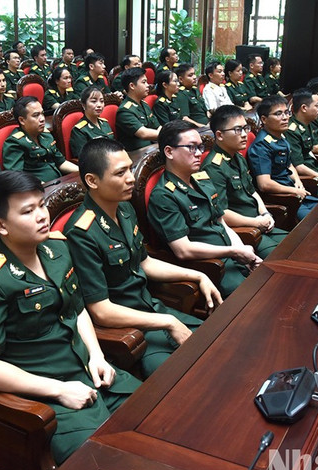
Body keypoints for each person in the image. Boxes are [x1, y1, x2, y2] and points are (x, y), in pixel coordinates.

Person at [0, 170, 141, 463]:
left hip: (93, 375)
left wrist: (96, 355)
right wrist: (59, 390)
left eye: (42, 205)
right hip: (48, 400)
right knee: (112, 463)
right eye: (28, 211)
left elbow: (76, 308)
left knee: (159, 417)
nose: (42, 216)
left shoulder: (57, 250)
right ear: (0, 225)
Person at [64, 139, 218, 376]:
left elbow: (144, 262)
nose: (131, 178)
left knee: (217, 345)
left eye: (129, 168)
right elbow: (101, 311)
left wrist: (198, 275)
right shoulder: (81, 232)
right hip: (130, 331)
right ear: (92, 181)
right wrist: (167, 322)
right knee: (186, 377)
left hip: (153, 308)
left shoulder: (123, 208)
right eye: (120, 173)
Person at [148, 121, 261, 297]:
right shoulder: (163, 195)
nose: (200, 153)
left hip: (232, 256)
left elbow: (220, 222)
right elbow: (184, 250)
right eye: (192, 148)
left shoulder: (201, 178)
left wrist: (245, 254)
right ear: (169, 151)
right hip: (210, 267)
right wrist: (234, 251)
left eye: (200, 147)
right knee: (255, 299)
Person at [201, 105, 286, 258]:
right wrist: (256, 222)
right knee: (286, 256)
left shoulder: (237, 157)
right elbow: (222, 214)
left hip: (260, 222)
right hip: (244, 232)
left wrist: (265, 213)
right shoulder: (213, 167)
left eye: (245, 128)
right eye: (237, 130)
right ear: (219, 135)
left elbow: (251, 191)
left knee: (298, 244)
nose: (245, 135)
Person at [246, 95, 318, 220]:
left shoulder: (281, 137)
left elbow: (289, 164)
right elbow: (264, 184)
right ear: (264, 119)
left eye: (287, 112)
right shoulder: (261, 146)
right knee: (316, 221)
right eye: (278, 114)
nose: (285, 118)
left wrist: (298, 181)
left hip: (295, 192)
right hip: (284, 198)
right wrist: (294, 191)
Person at [2, 96, 78, 182]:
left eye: (42, 113)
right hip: (38, 190)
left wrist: (82, 171)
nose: (42, 119)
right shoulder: (15, 143)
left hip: (58, 182)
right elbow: (18, 179)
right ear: (22, 120)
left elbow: (61, 162)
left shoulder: (46, 136)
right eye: (36, 115)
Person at [285, 88, 318, 197]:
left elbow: (309, 151)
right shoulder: (292, 131)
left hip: (315, 171)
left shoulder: (308, 123)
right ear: (304, 108)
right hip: (309, 179)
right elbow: (298, 166)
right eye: (316, 106)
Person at [115, 67, 160, 151]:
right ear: (132, 86)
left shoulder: (144, 104)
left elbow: (157, 126)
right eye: (144, 82)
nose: (148, 85)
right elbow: (143, 134)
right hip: (136, 154)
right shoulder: (125, 111)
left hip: (151, 148)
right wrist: (169, 134)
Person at [69, 86, 114, 158]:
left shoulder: (105, 123)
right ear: (84, 105)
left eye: (102, 101)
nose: (99, 105)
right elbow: (83, 158)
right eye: (94, 101)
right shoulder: (79, 130)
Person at [175, 64, 209, 129]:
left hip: (207, 124)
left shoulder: (195, 90)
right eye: (190, 75)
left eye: (194, 74)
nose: (194, 77)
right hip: (197, 128)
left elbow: (205, 111)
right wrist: (204, 127)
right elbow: (185, 119)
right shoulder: (181, 94)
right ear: (181, 79)